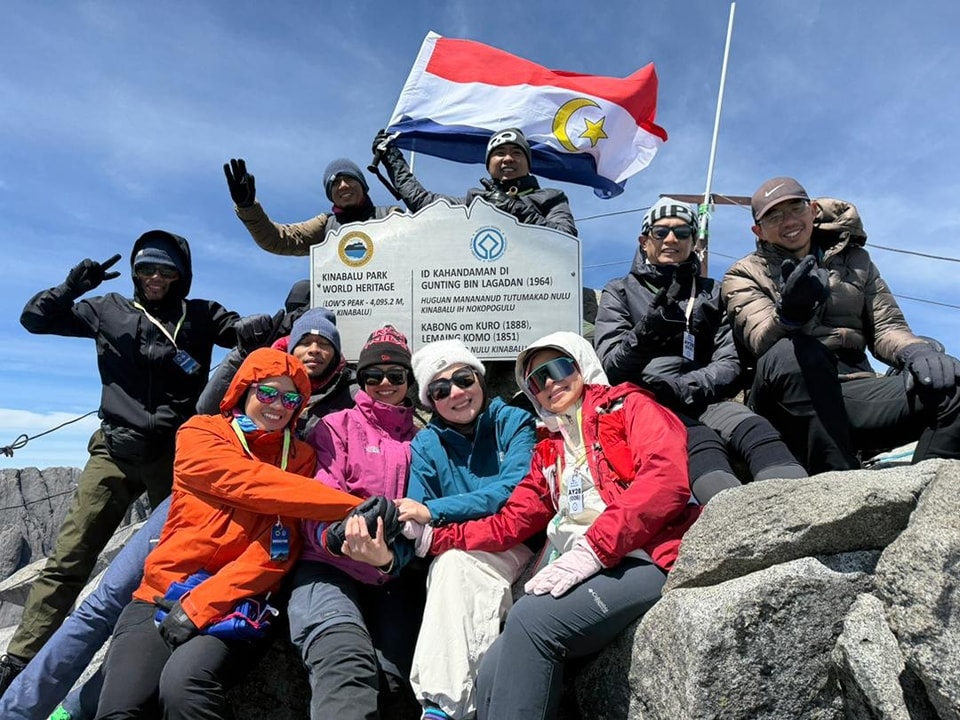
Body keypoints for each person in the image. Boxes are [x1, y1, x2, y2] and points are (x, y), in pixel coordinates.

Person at [0, 231, 258, 695]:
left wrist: (278, 323)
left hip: (176, 456)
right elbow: (35, 320)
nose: (155, 277)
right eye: (146, 268)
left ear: (182, 275)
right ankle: (19, 661)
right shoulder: (107, 308)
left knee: (181, 555)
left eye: (166, 269)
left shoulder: (200, 315)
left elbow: (243, 332)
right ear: (136, 272)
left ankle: (165, 650)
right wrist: (71, 286)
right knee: (69, 558)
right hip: (114, 452)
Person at [405, 332, 702, 720]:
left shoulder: (629, 406)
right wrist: (437, 538)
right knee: (491, 666)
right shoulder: (551, 450)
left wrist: (595, 548)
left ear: (581, 364)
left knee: (531, 621)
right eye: (535, 380)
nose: (549, 383)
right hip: (582, 566)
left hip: (644, 556)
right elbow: (512, 520)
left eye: (558, 368)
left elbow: (666, 481)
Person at [93, 348, 377, 718]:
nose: (279, 405)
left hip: (240, 601)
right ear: (244, 389)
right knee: (120, 710)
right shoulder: (201, 433)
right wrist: (350, 505)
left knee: (185, 689)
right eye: (268, 392)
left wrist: (200, 605)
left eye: (292, 398)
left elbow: (277, 549)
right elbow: (248, 482)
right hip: (160, 592)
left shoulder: (301, 458)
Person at [722, 177, 960, 472]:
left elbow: (886, 326)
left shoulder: (857, 260)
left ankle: (924, 492)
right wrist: (789, 316)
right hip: (785, 399)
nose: (788, 221)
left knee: (949, 382)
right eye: (773, 215)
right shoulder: (743, 274)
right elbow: (760, 340)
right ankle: (838, 486)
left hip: (853, 389)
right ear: (758, 230)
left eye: (796, 208)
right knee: (791, 352)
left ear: (812, 210)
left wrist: (916, 351)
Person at [595, 197, 806, 501]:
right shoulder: (619, 291)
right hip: (647, 402)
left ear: (693, 241)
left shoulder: (712, 292)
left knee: (754, 428)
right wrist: (646, 335)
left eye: (682, 232)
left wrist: (684, 387)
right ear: (644, 241)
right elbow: (611, 367)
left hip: (702, 395)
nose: (671, 239)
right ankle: (729, 519)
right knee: (698, 440)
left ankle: (799, 506)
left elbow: (730, 361)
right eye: (660, 232)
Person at [289, 325, 422, 720]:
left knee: (395, 684)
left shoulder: (423, 440)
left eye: (395, 376)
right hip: (326, 564)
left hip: (390, 574)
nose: (384, 383)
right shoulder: (335, 425)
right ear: (359, 380)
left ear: (409, 381)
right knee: (345, 661)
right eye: (372, 376)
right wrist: (335, 535)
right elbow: (320, 492)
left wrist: (386, 558)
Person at [399, 339, 538, 720]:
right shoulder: (425, 444)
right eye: (440, 390)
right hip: (460, 551)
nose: (456, 393)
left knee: (453, 566)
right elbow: (414, 516)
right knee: (452, 566)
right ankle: (440, 709)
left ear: (479, 379)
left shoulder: (514, 421)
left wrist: (436, 510)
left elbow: (512, 490)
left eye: (463, 379)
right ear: (431, 402)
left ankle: (443, 708)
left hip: (520, 543)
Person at [0, 499, 170, 720]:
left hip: (210, 511)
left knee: (147, 624)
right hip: (188, 494)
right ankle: (13, 714)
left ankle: (70, 710)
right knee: (99, 607)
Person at [373, 127, 577, 236]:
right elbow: (422, 202)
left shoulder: (552, 198)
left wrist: (513, 209)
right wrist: (391, 159)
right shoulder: (475, 201)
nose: (508, 158)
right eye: (499, 153)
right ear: (489, 164)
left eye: (516, 152)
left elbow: (566, 238)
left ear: (527, 162)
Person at [224, 157, 400, 255]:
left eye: (349, 178)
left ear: (363, 185)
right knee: (301, 292)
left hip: (392, 305)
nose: (343, 185)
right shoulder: (325, 224)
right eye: (335, 182)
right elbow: (279, 239)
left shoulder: (391, 216)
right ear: (330, 194)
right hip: (339, 306)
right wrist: (247, 206)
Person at [196, 279, 311, 415]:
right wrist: (243, 354)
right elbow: (209, 410)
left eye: (323, 342)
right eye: (267, 393)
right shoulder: (262, 354)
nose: (313, 349)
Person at [273, 305, 359, 436]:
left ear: (335, 354)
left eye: (324, 343)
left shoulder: (354, 395)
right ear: (291, 351)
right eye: (305, 342)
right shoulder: (268, 386)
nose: (314, 349)